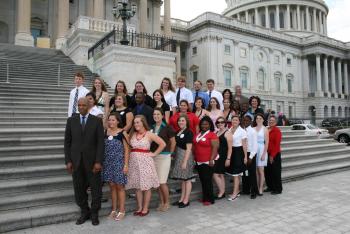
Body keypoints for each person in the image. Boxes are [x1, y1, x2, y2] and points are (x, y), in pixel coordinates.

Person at [64, 97, 104, 225]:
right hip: (76, 162)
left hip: (93, 163)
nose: (81, 107)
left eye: (84, 105)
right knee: (79, 189)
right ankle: (84, 212)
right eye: (79, 105)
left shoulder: (97, 121)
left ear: (89, 106)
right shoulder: (71, 121)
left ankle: (94, 213)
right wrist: (68, 160)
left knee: (96, 189)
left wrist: (98, 161)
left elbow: (100, 144)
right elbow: (67, 142)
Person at [126, 115, 166, 216]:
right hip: (134, 163)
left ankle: (145, 208)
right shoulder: (132, 134)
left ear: (143, 123)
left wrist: (154, 153)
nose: (136, 124)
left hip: (146, 163)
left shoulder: (149, 134)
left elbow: (163, 144)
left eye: (138, 122)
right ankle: (139, 207)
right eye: (134, 123)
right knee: (138, 187)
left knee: (146, 186)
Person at [102, 112, 129, 221]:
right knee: (112, 186)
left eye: (113, 120)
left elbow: (127, 150)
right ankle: (114, 210)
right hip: (108, 163)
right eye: (109, 120)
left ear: (118, 121)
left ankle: (122, 210)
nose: (111, 122)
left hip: (119, 163)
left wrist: (126, 164)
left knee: (120, 187)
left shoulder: (123, 132)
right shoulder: (105, 132)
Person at [150, 108, 176, 212]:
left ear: (162, 116)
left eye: (158, 114)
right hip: (154, 156)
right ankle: (161, 202)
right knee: (157, 182)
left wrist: (171, 153)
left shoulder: (167, 127)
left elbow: (173, 142)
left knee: (162, 182)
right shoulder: (151, 127)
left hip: (164, 156)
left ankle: (167, 202)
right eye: (154, 114)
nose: (156, 116)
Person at [170, 114, 195, 208]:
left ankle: (186, 200)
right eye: (179, 121)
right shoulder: (178, 132)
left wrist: (185, 161)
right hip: (179, 156)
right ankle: (181, 199)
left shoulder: (189, 132)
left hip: (186, 156)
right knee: (183, 179)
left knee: (187, 179)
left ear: (187, 122)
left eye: (183, 121)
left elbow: (189, 149)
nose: (181, 122)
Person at [193, 116, 219, 206]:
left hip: (208, 161)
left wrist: (212, 159)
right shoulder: (198, 134)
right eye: (202, 124)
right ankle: (205, 197)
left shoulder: (212, 134)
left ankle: (210, 199)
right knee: (203, 180)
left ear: (210, 125)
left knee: (207, 180)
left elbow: (215, 148)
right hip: (199, 161)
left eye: (206, 124)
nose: (204, 125)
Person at [225, 115, 248, 201]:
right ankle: (237, 190)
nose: (234, 121)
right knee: (235, 174)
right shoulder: (229, 129)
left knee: (236, 174)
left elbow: (245, 145)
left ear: (239, 122)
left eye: (236, 120)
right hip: (231, 152)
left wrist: (245, 157)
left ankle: (234, 194)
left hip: (239, 152)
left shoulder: (242, 131)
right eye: (233, 120)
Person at [213, 116, 232, 200]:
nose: (220, 124)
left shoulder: (228, 133)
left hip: (223, 156)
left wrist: (228, 159)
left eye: (222, 122)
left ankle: (221, 192)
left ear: (225, 123)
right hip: (217, 156)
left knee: (215, 174)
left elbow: (230, 148)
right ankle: (222, 192)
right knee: (220, 174)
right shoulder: (216, 132)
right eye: (218, 122)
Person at [242, 115, 258, 199]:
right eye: (244, 120)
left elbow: (255, 145)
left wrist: (251, 157)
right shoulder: (242, 130)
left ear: (251, 121)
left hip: (250, 154)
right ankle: (246, 189)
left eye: (247, 120)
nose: (245, 122)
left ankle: (254, 191)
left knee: (252, 173)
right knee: (244, 173)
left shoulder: (252, 131)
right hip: (243, 154)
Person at [265, 115, 283, 195]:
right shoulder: (267, 129)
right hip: (266, 153)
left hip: (274, 154)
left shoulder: (277, 130)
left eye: (272, 120)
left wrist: (272, 156)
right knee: (268, 172)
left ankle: (278, 189)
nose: (271, 121)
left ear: (275, 122)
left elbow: (277, 145)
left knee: (276, 172)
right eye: (270, 120)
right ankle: (270, 187)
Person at [254, 113, 269, 195]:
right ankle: (256, 187)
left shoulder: (265, 129)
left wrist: (264, 154)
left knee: (261, 170)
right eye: (257, 118)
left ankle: (261, 188)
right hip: (254, 150)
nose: (258, 119)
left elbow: (267, 143)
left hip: (261, 149)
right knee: (255, 171)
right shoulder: (253, 128)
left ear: (263, 120)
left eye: (260, 118)